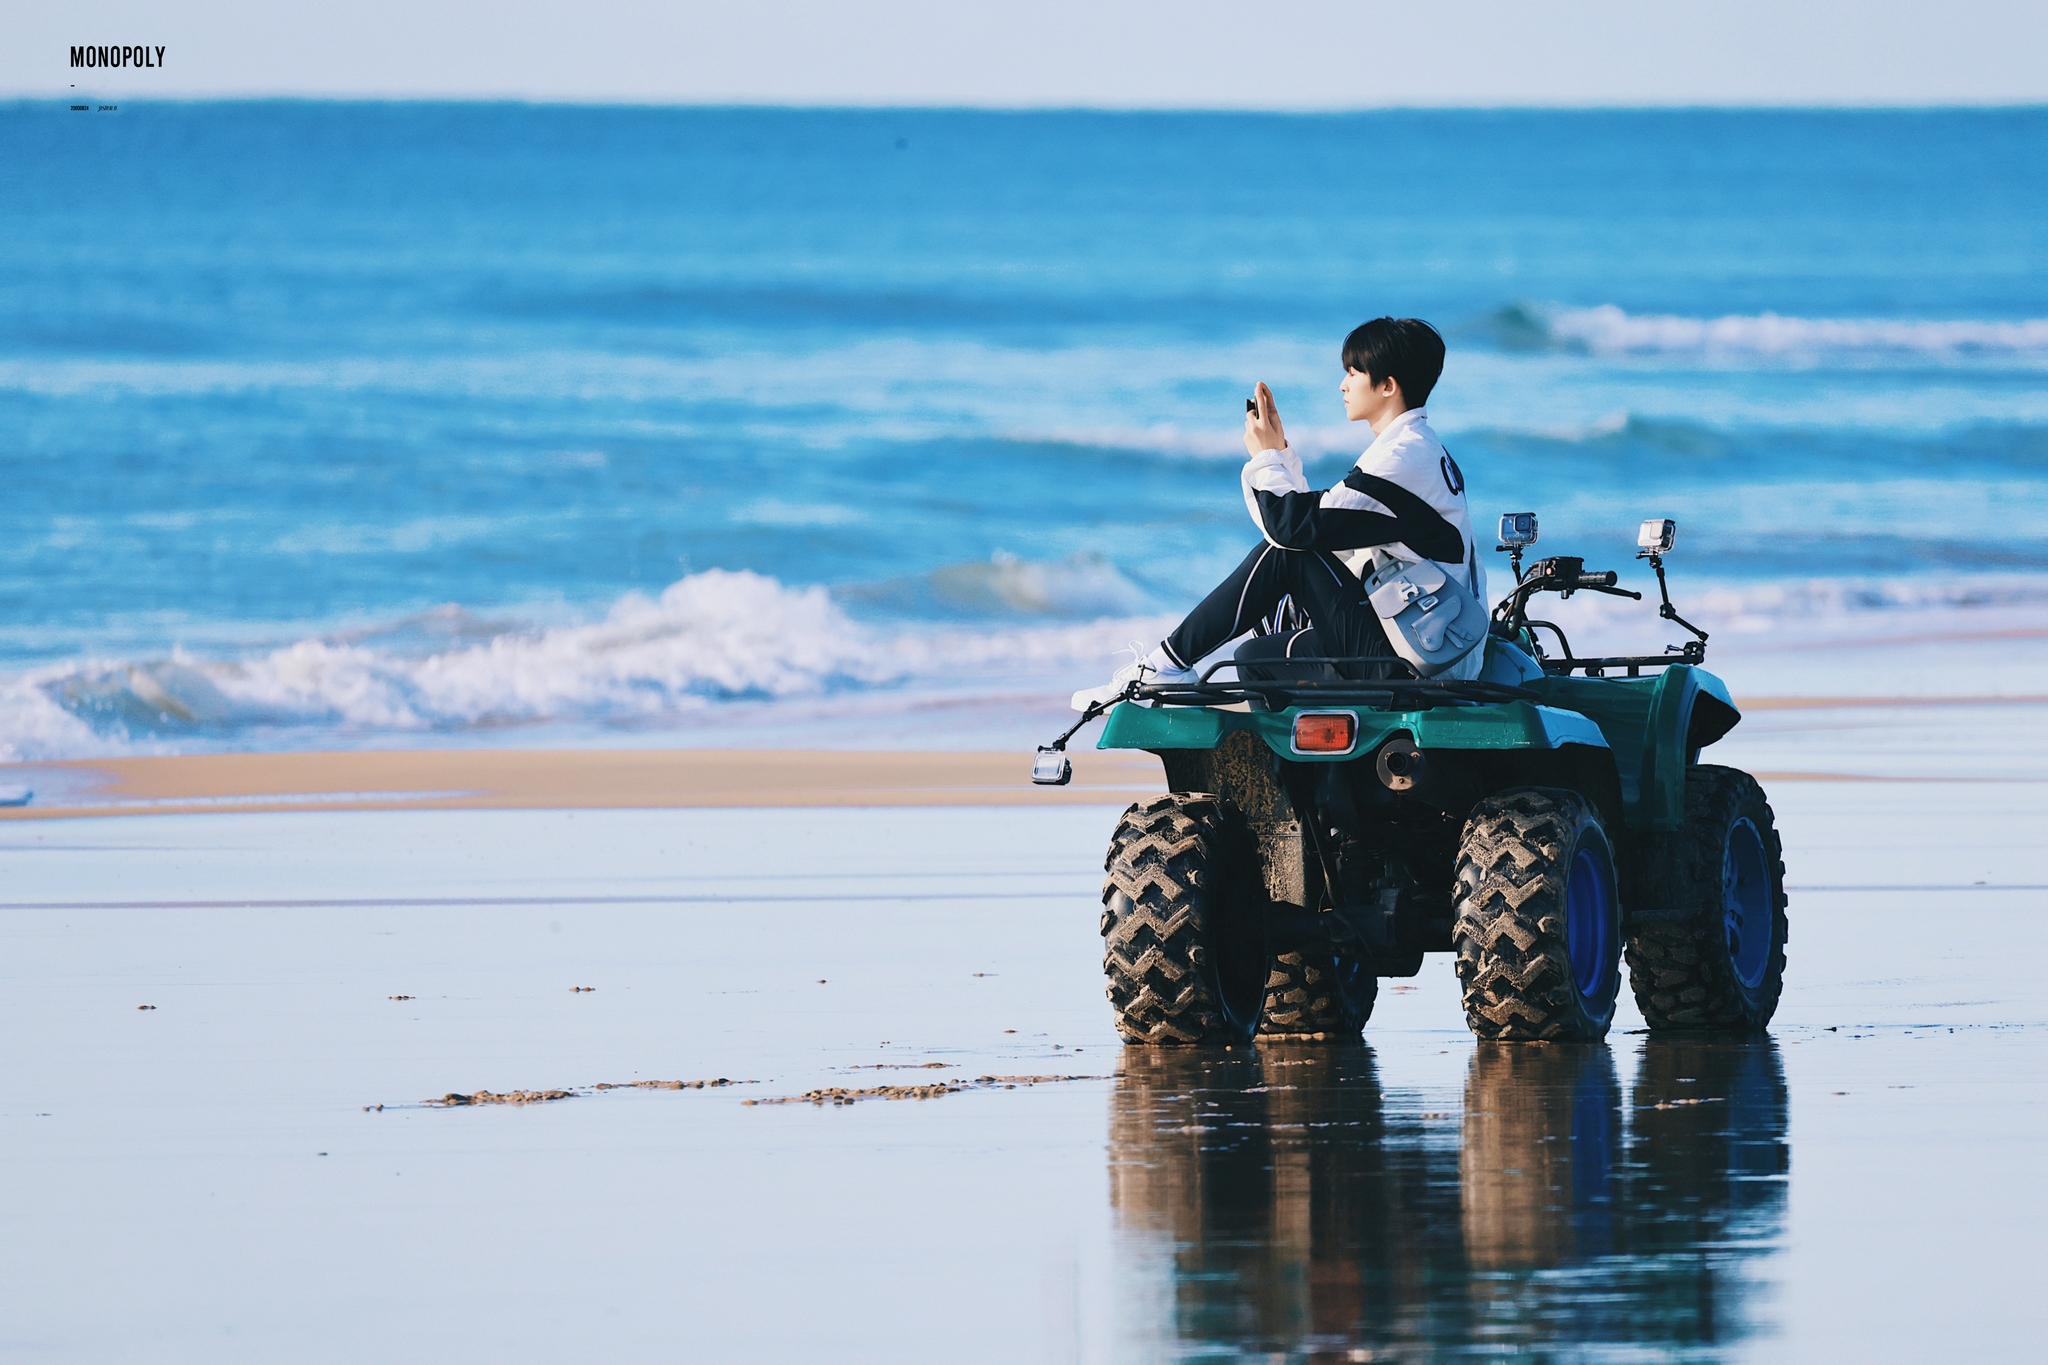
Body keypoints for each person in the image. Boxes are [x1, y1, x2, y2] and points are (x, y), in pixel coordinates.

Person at [1073, 317, 1486, 709]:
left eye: (1353, 373)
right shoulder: (1418, 449)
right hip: (1426, 642)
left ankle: (1164, 666)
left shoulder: (1403, 457)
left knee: (1284, 554)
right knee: (1254, 657)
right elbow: (1322, 527)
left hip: (1420, 657)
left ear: (1387, 386)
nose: (1342, 385)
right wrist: (1281, 453)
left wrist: (1267, 456)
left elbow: (1291, 531)